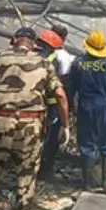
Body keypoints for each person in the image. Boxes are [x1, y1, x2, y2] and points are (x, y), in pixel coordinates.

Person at [0, 28, 70, 210]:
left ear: (14, 41)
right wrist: (66, 126)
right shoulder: (44, 63)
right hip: (31, 124)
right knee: (26, 175)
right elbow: (60, 95)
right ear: (34, 44)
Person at [66, 29, 106, 189]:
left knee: (87, 144)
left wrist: (69, 107)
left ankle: (89, 184)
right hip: (105, 108)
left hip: (85, 108)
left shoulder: (78, 63)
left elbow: (70, 88)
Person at [36, 28, 66, 181]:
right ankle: (44, 171)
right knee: (50, 139)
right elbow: (60, 88)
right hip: (51, 106)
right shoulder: (55, 60)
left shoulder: (30, 56)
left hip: (34, 104)